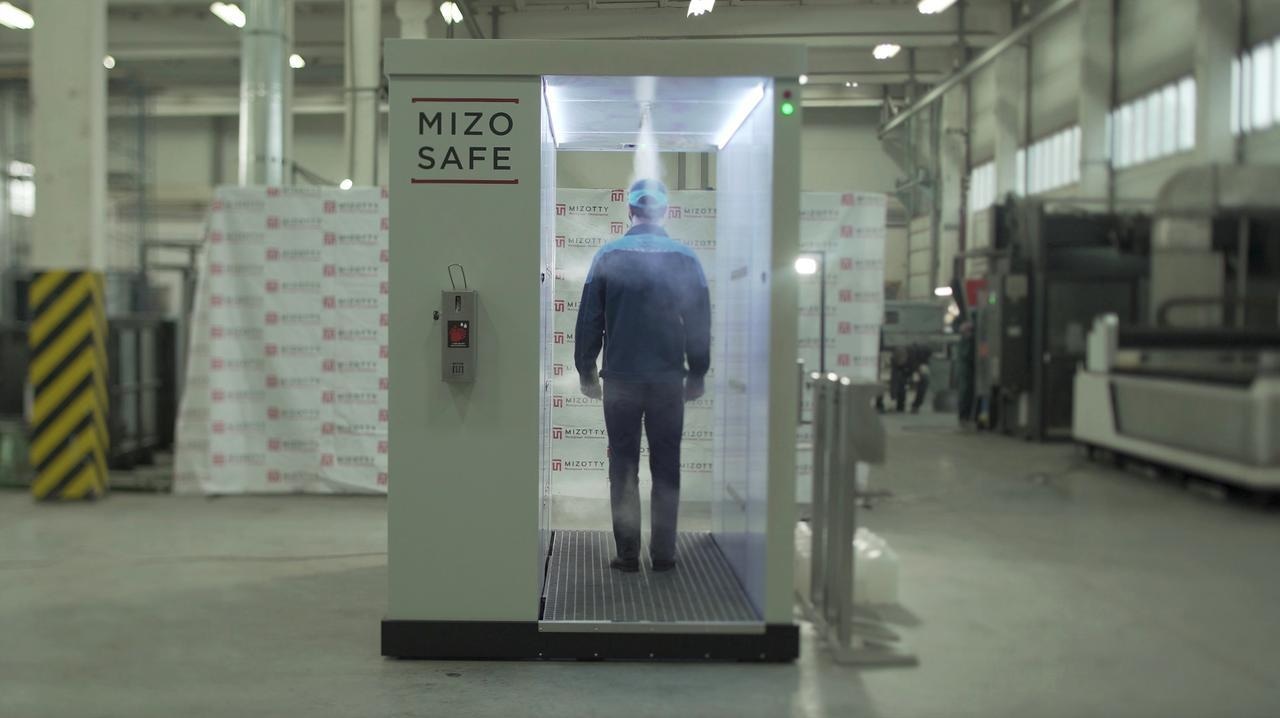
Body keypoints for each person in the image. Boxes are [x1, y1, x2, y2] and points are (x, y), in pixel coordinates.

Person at [574, 178, 711, 574]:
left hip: (621, 381)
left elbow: (589, 319)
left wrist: (587, 369)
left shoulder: (608, 256)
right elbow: (699, 323)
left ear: (629, 210)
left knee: (623, 466)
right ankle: (664, 554)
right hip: (668, 382)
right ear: (665, 212)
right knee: (667, 465)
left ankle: (628, 554)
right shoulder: (686, 258)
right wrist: (697, 371)